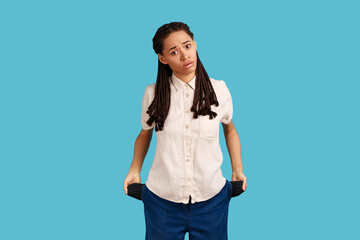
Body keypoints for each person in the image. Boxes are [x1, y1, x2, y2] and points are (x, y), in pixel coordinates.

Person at [123, 21, 247, 240]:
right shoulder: (153, 95)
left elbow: (230, 130)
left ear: (195, 45)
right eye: (174, 51)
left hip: (212, 200)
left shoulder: (219, 90)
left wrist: (237, 169)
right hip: (162, 202)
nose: (184, 55)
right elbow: (145, 133)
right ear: (163, 58)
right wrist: (134, 169)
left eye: (187, 46)